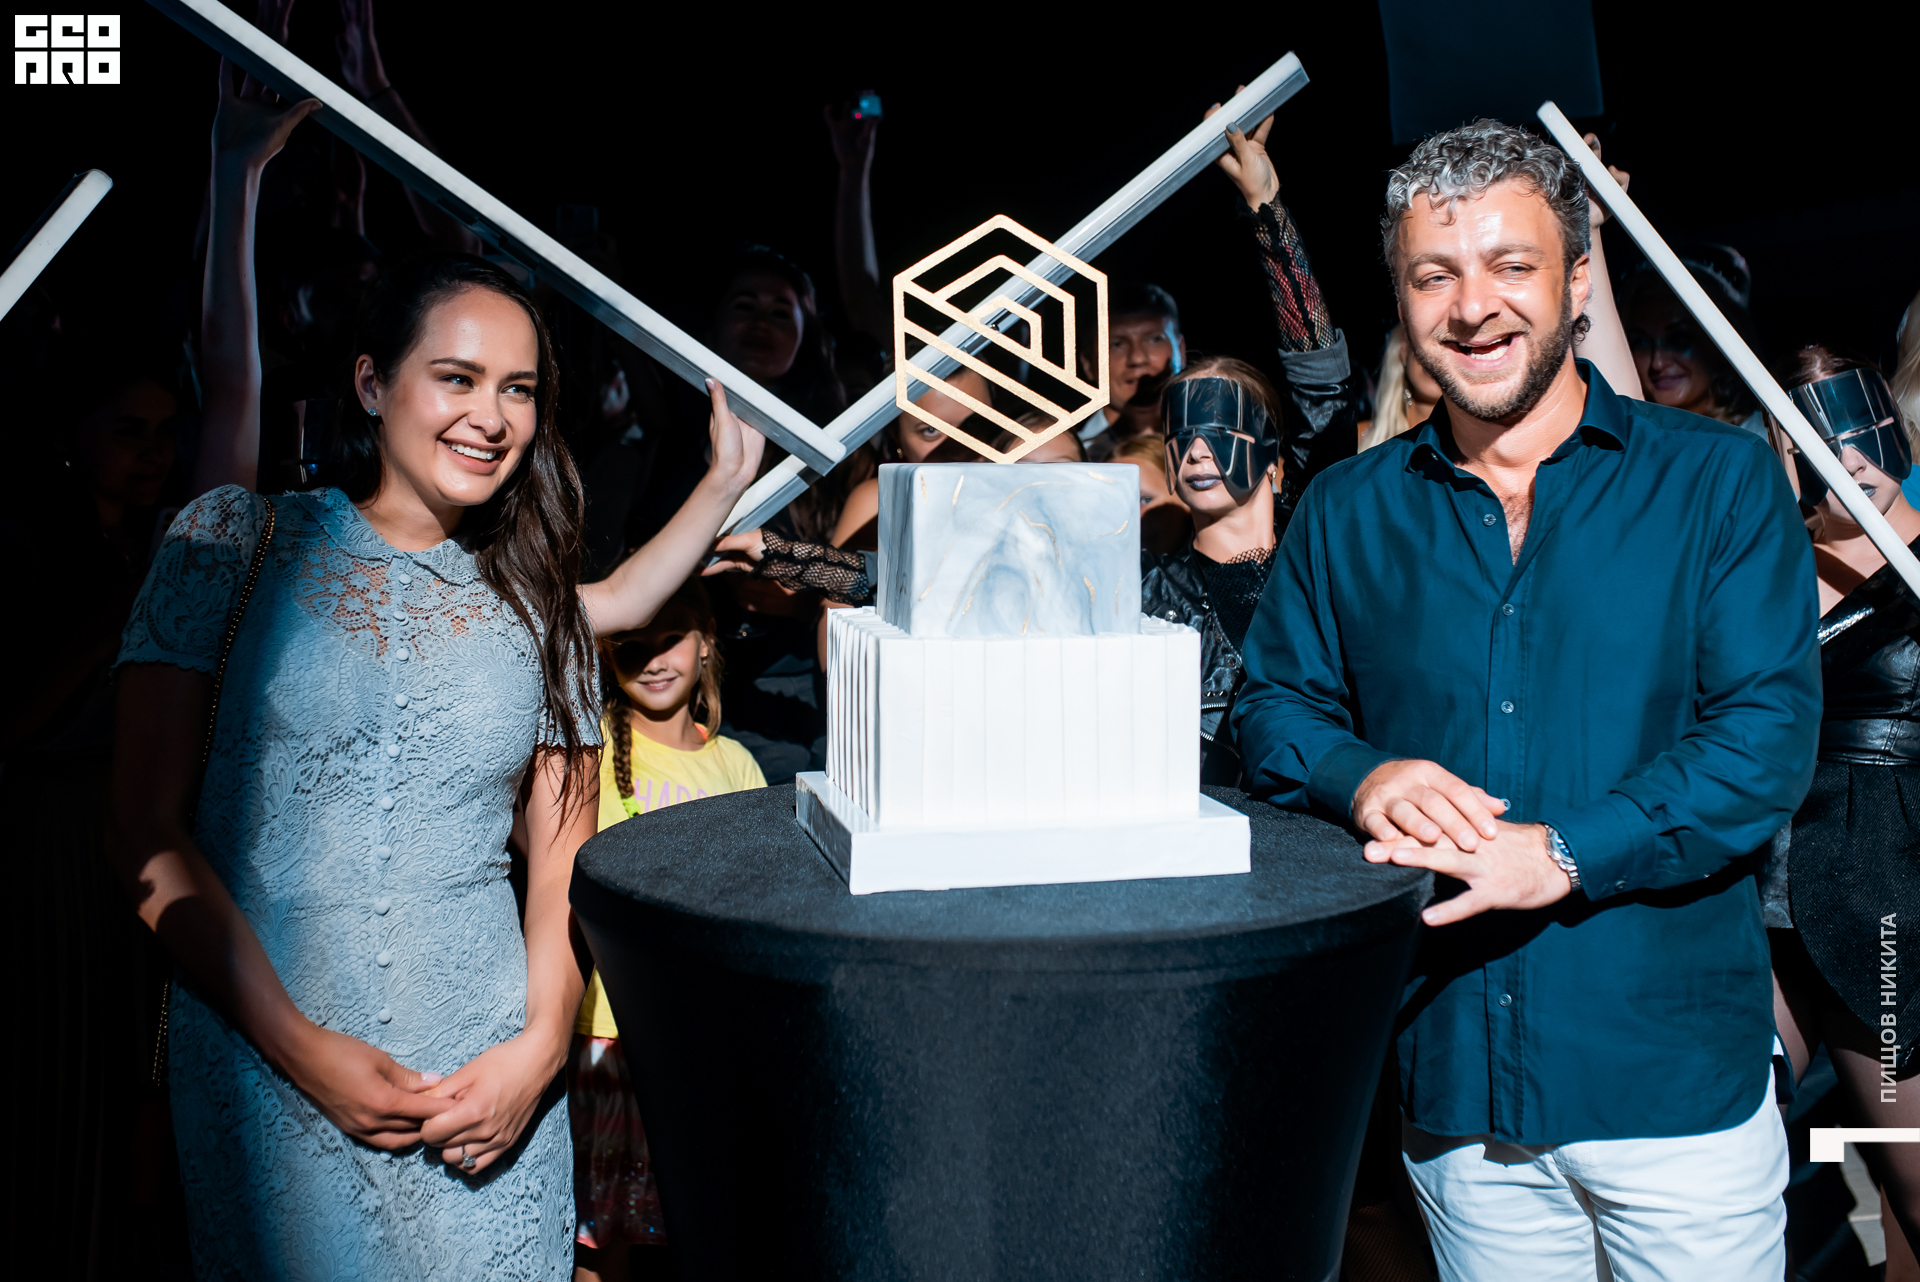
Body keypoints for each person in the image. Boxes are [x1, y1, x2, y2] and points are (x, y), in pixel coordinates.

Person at [1231, 119, 1820, 1280]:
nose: (1473, 307)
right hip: (1458, 1091)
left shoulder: (1716, 480)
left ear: (1578, 277)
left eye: (1511, 264)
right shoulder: (1347, 509)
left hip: (1674, 1093)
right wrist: (1364, 775)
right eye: (1433, 275)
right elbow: (1271, 710)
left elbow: (1763, 740)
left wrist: (1561, 851)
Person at [108, 253, 763, 1278]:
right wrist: (301, 1047)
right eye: (458, 378)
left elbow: (564, 867)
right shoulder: (234, 543)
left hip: (487, 1096)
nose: (490, 417)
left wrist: (539, 1049)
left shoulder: (538, 610)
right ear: (373, 385)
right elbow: (142, 829)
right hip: (265, 1073)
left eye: (519, 389)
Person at [1765, 346, 1920, 1281]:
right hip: (1762, 893)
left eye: (1856, 428)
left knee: (1910, 1179)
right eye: (1808, 439)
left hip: (1884, 906)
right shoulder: (1764, 564)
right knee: (1734, 1154)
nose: (1842, 456)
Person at [571, 580, 764, 1282]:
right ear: (606, 652)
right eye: (633, 644)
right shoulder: (589, 746)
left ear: (706, 642)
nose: (653, 659)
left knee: (708, 1230)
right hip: (611, 1037)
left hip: (706, 1042)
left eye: (671, 638)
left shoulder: (738, 763)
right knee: (603, 1241)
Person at [1622, 242, 1764, 433]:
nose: (1657, 363)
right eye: (1641, 342)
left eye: (1678, 339)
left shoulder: (1765, 440)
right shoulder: (1632, 439)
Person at [1076, 280, 1186, 459]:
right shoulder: (1071, 460)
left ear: (1180, 351)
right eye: (1117, 344)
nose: (1137, 358)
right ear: (1088, 364)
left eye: (1154, 340)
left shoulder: (1215, 445)